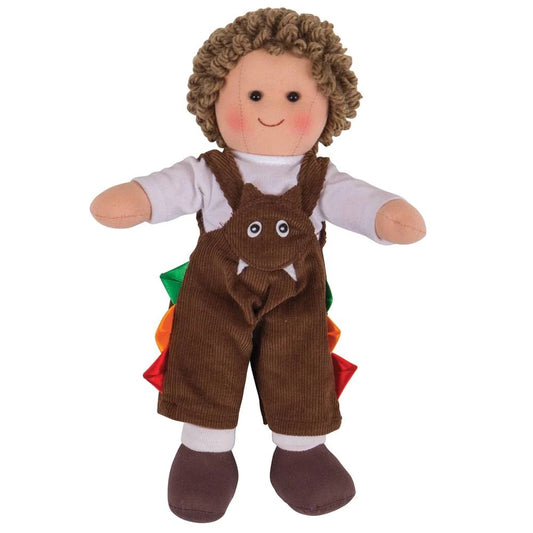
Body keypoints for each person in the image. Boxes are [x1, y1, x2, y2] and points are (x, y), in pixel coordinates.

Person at [91, 8, 426, 522]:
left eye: (293, 97)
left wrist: (387, 216)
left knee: (301, 362)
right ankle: (204, 452)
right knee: (206, 359)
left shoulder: (320, 179)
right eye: (253, 95)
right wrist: (135, 200)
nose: (272, 110)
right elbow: (160, 191)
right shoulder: (209, 172)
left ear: (328, 102)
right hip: (216, 297)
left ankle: (301, 452)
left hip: (296, 300)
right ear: (215, 97)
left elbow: (365, 204)